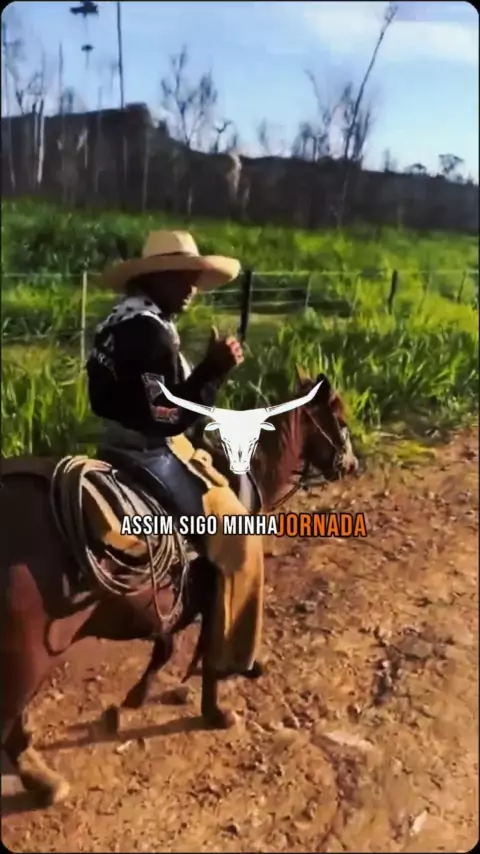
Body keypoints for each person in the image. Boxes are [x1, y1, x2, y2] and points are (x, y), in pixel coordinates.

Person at [86, 229, 264, 679]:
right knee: (240, 534)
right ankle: (231, 653)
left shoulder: (119, 321)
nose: (191, 289)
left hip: (114, 443)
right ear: (153, 278)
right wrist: (214, 369)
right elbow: (166, 417)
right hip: (151, 450)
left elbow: (115, 399)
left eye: (193, 279)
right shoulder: (152, 335)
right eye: (180, 278)